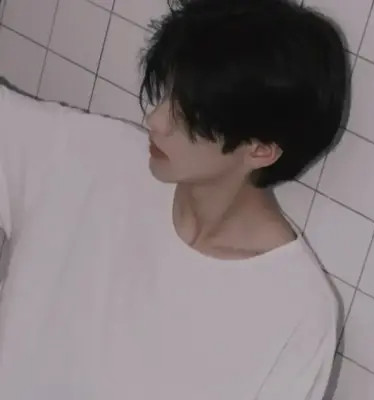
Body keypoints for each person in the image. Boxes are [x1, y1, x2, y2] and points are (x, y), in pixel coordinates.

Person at [0, 0, 349, 399]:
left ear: (260, 150)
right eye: (167, 93)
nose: (156, 120)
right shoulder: (90, 156)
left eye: (188, 116)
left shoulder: (296, 311)